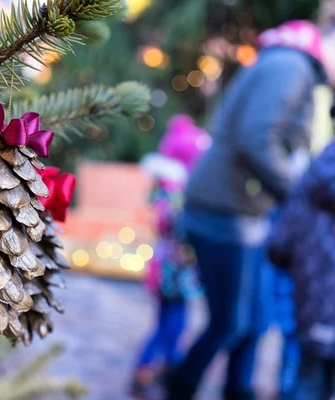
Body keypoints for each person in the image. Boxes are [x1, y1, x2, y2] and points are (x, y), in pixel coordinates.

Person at [167, 19, 335, 400]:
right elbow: (258, 139)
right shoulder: (292, 66)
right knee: (230, 323)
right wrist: (298, 193)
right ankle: (179, 387)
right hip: (225, 212)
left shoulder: (287, 63)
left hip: (240, 209)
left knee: (253, 321)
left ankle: (236, 389)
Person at [131, 115, 210, 399]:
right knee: (172, 324)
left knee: (171, 323)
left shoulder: (171, 189)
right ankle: (151, 371)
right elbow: (173, 224)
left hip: (172, 269)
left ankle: (163, 371)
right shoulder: (174, 191)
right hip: (174, 271)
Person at [267, 142, 335, 400]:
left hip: (314, 294)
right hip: (324, 295)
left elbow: (280, 242)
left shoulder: (320, 164)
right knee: (312, 378)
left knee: (310, 374)